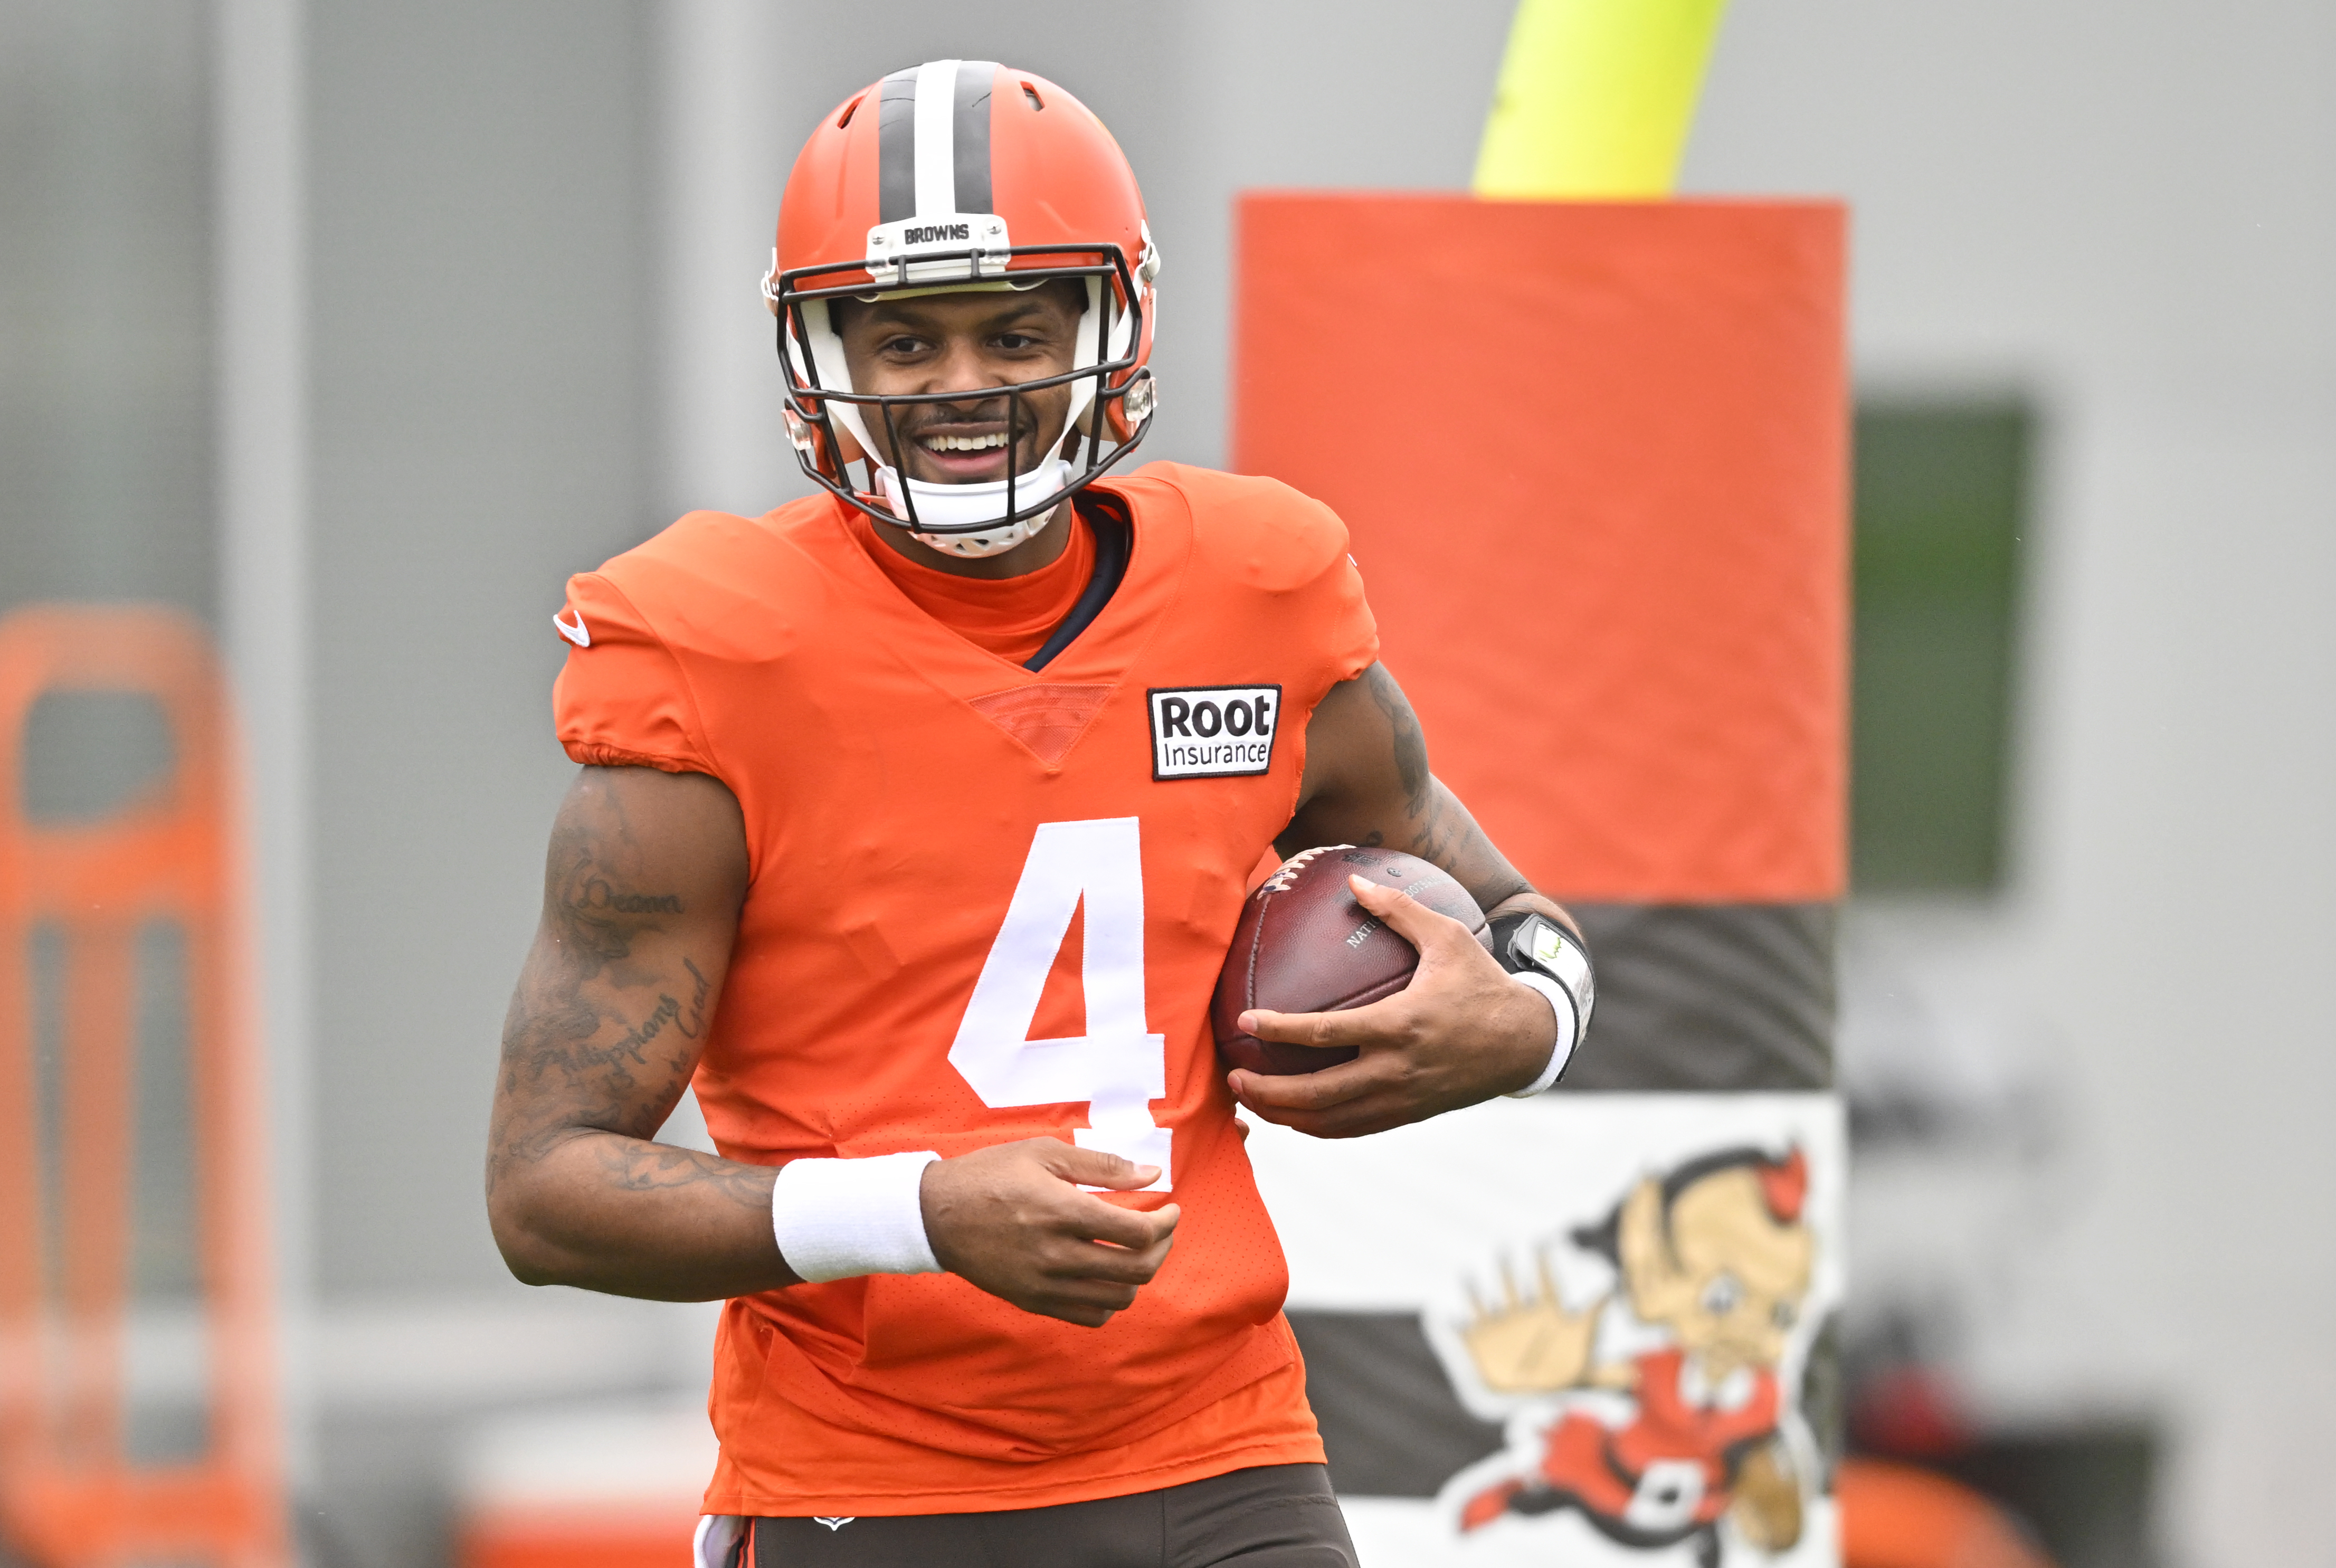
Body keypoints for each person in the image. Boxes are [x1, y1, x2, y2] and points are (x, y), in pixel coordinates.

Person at [485, 59, 1595, 1568]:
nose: (963, 386)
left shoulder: (1254, 599)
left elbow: (1519, 915)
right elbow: (545, 1193)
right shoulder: (712, 656)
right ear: (823, 354)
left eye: (1014, 330)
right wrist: (921, 1212)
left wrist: (1527, 1027)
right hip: (875, 1482)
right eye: (906, 340)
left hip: (1226, 1449)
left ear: (1109, 328)